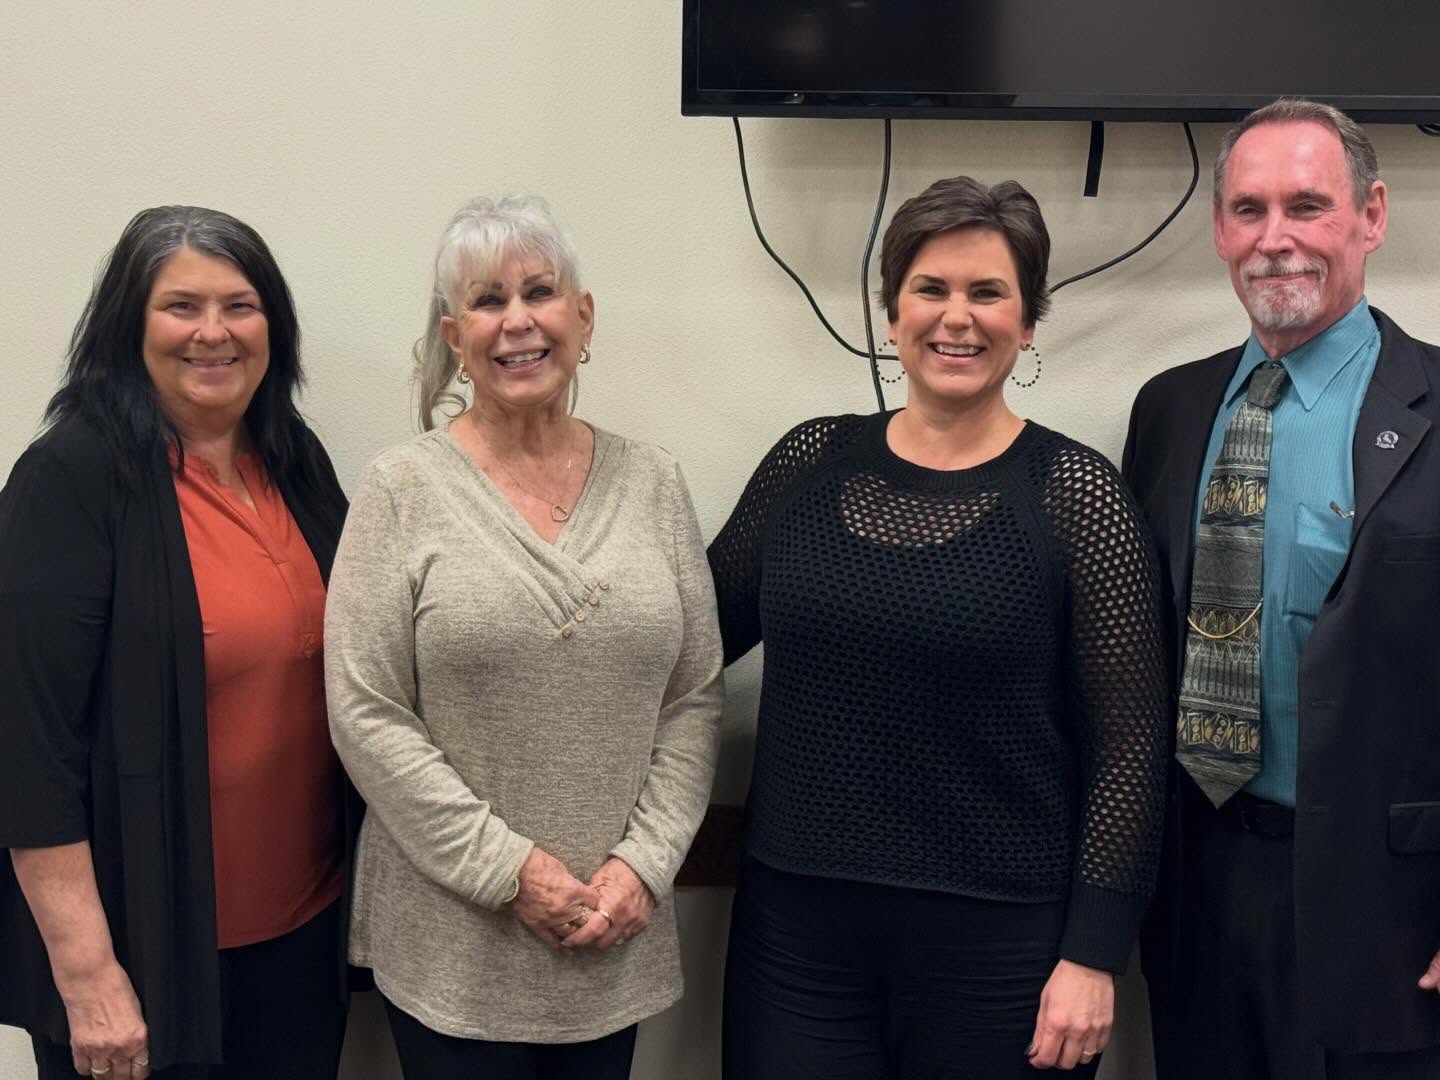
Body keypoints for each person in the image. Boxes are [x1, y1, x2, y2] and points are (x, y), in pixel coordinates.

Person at [709, 175, 1169, 1079]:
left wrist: (1094, 953)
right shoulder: (808, 463)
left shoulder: (1077, 499)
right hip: (796, 935)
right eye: (932, 288)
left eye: (988, 292)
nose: (957, 317)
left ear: (1028, 323)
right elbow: (685, 639)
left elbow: (1130, 749)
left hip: (1003, 950)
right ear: (891, 314)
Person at [324, 194, 724, 1080]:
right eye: (487, 301)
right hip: (454, 952)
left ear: (582, 318)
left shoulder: (654, 482)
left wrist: (644, 865)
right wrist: (512, 873)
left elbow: (693, 696)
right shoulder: (400, 491)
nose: (517, 322)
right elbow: (366, 711)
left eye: (539, 292)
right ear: (454, 333)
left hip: (612, 933)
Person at [1123, 97, 1440, 1080]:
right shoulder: (1170, 410)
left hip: (1387, 910)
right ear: (1220, 228)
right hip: (1197, 883)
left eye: (1307, 206)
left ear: (1371, 216)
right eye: (1250, 210)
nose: (1276, 240)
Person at [0, 206, 355, 1079]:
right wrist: (88, 980)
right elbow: (27, 750)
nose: (213, 333)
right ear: (129, 324)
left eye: (240, 306)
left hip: (303, 940)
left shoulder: (296, 462)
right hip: (145, 958)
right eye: (181, 307)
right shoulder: (70, 479)